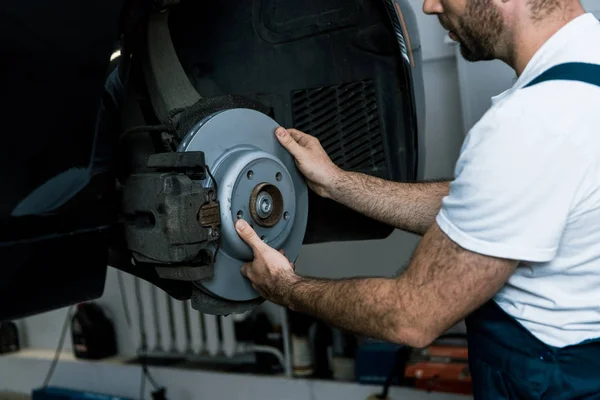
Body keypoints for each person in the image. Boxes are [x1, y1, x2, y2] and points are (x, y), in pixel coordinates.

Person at [235, 0, 600, 397]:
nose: (429, 6)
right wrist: (337, 183)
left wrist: (286, 287)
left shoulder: (532, 124)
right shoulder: (583, 75)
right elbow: (492, 206)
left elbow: (410, 316)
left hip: (552, 381)